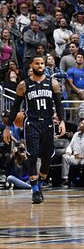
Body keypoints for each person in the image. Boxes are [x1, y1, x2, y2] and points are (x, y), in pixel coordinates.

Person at [3, 56, 66, 203]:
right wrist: (7, 127)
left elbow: (59, 104)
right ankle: (35, 191)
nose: (40, 66)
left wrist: (62, 121)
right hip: (32, 123)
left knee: (47, 158)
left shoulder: (53, 83)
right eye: (37, 63)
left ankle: (40, 184)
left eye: (42, 63)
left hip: (48, 123)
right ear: (32, 66)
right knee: (32, 155)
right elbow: (14, 108)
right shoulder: (24, 85)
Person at [61, 119, 84, 187]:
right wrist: (68, 152)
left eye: (82, 123)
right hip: (75, 157)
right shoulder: (76, 134)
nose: (80, 124)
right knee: (65, 157)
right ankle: (65, 179)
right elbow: (70, 146)